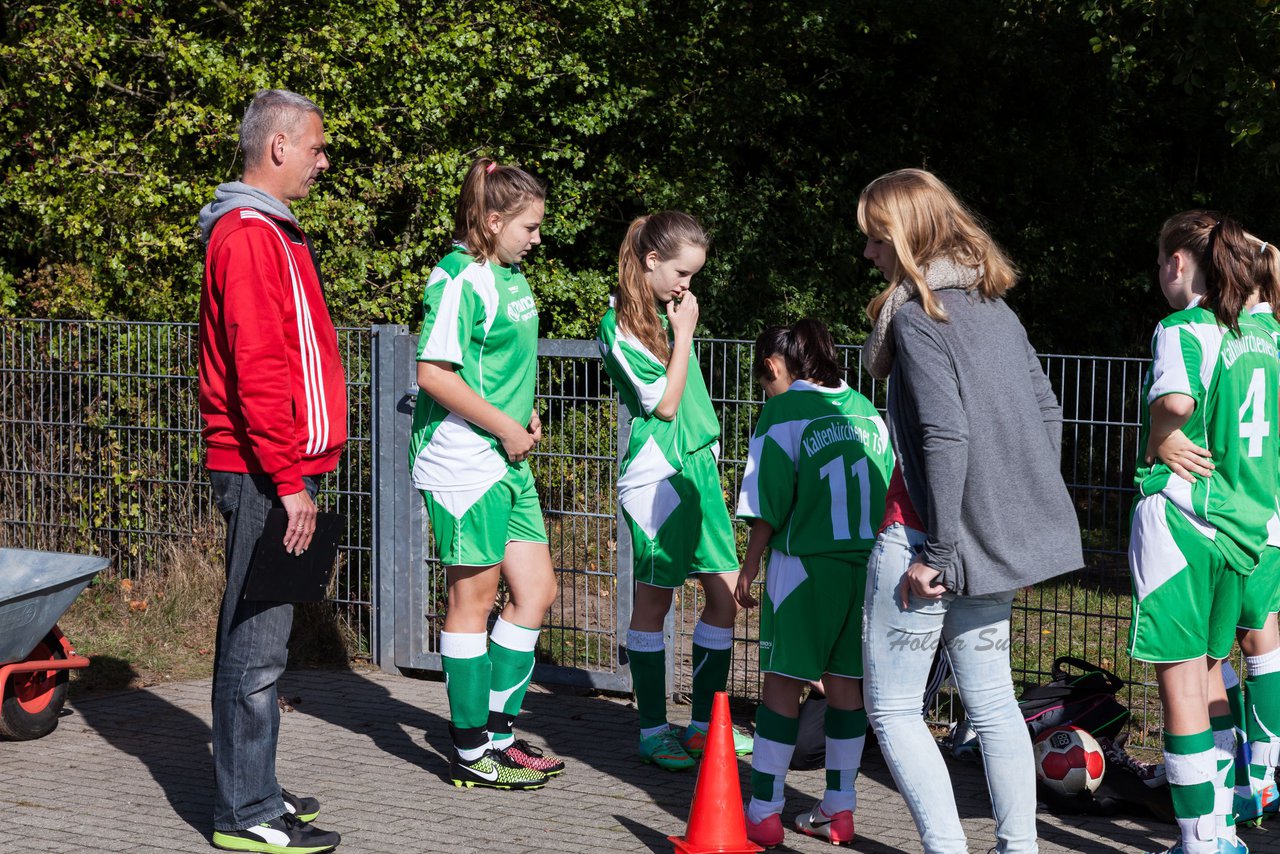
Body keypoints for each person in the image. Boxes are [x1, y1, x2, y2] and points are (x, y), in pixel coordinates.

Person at [856, 168, 1082, 854]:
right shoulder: (997, 310)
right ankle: (1019, 847)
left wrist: (940, 554)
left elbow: (945, 433)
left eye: (873, 239)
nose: (866, 254)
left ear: (903, 235)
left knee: (894, 709)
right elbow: (1048, 409)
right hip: (980, 546)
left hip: (926, 544)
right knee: (994, 705)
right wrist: (1009, 511)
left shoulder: (922, 316)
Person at [198, 89, 346, 853]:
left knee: (266, 642)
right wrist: (289, 481)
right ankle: (243, 813)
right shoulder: (249, 234)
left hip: (277, 467)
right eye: (316, 146)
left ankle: (255, 789)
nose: (324, 160)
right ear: (279, 147)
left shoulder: (271, 232)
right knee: (255, 649)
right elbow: (258, 365)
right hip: (263, 472)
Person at [409, 157, 562, 790]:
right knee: (471, 600)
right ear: (493, 220)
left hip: (505, 456)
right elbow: (434, 374)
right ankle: (471, 750)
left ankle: (498, 731)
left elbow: (496, 367)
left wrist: (520, 415)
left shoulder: (510, 276)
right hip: (464, 460)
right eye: (527, 226)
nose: (535, 238)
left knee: (537, 593)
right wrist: (503, 426)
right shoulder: (459, 278)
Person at [1133, 213, 1280, 853]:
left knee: (1182, 683)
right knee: (1213, 674)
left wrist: (1159, 435)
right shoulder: (1265, 331)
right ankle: (1222, 826)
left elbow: (1179, 403)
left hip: (1185, 517)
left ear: (1178, 263)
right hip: (1243, 528)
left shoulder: (1184, 327)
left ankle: (1202, 840)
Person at [597, 211, 752, 771]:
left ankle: (705, 727)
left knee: (726, 596)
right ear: (651, 261)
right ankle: (652, 730)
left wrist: (678, 328)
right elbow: (663, 403)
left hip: (699, 470)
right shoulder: (616, 323)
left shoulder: (665, 314)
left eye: (695, 275)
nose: (688, 286)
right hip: (658, 478)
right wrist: (685, 333)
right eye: (682, 272)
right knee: (654, 603)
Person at [734, 320, 893, 847]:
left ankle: (763, 811)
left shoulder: (782, 412)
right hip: (867, 567)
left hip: (804, 569)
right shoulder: (869, 413)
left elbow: (768, 506)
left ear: (776, 366)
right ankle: (838, 811)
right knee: (848, 690)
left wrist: (750, 565)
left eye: (764, 379)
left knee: (781, 684)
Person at [1223, 233, 1280, 827]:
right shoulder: (1278, 339)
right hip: (1271, 513)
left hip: (1231, 514)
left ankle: (1239, 780)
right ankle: (1259, 777)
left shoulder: (1227, 335)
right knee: (1263, 644)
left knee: (1210, 654)